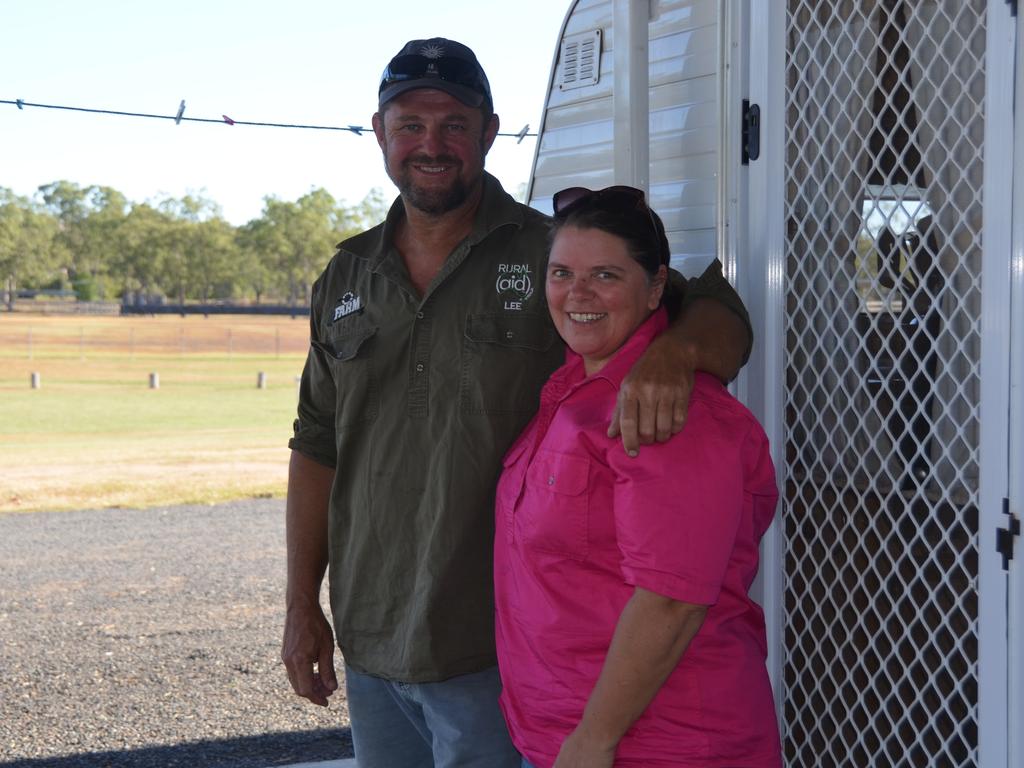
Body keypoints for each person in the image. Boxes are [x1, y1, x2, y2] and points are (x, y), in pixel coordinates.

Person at [282, 37, 752, 768]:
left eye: (454, 125)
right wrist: (301, 603)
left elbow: (720, 311)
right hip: (372, 637)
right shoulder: (347, 273)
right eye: (410, 124)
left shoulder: (554, 258)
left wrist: (675, 355)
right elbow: (316, 445)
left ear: (489, 132)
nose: (431, 145)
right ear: (380, 133)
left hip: (493, 645)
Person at [494, 186, 781, 767]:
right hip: (560, 731)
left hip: (653, 744)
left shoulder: (669, 409)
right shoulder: (571, 390)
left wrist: (593, 740)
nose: (577, 293)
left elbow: (672, 601)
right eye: (561, 272)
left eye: (605, 274)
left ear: (654, 289)